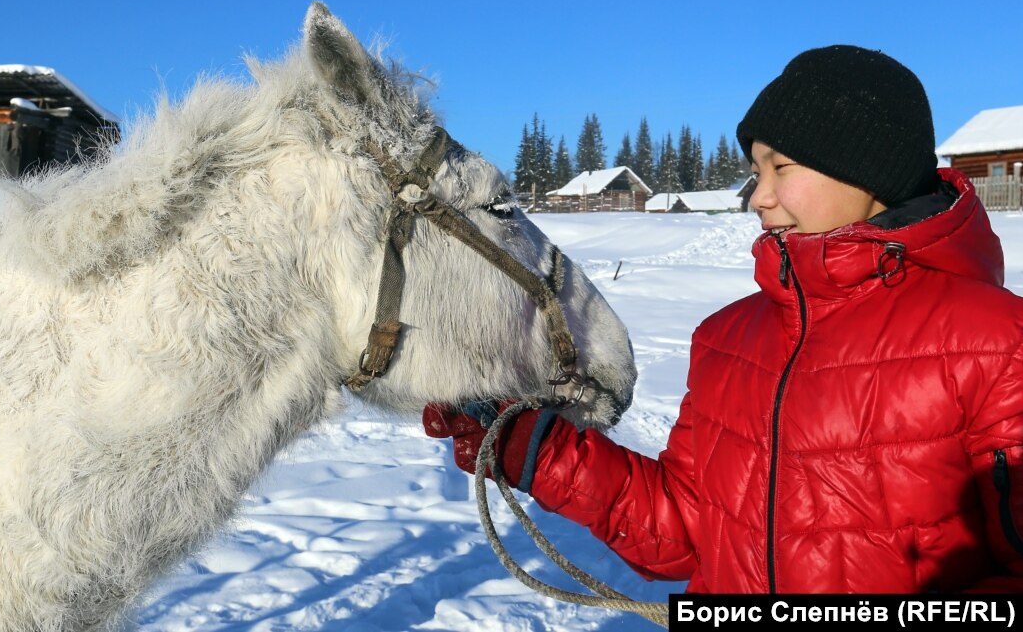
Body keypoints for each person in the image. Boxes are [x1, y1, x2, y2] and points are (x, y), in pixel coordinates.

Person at [423, 44, 1023, 593]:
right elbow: (683, 529)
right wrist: (533, 446)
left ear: (869, 171)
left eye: (781, 167)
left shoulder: (995, 344)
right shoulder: (730, 338)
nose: (758, 195)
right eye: (757, 172)